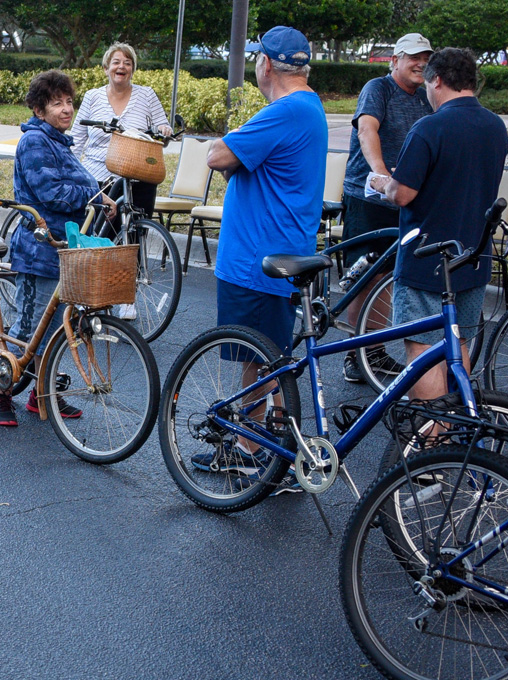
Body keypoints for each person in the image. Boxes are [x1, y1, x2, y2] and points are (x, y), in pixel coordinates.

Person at [197, 26, 324, 476]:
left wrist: (230, 141)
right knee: (263, 358)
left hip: (259, 257)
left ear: (266, 64)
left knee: (258, 358)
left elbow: (217, 156)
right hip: (276, 249)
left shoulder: (285, 111)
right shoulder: (308, 107)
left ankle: (254, 452)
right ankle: (258, 444)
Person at [366, 47, 508, 403]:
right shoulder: (495, 127)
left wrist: (384, 184)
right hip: (475, 256)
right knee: (458, 343)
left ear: (438, 80)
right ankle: (460, 426)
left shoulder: (430, 127)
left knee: (423, 351)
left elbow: (403, 195)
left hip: (428, 257)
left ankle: (430, 440)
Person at [0, 69, 110, 427]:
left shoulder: (60, 140)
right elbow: (51, 193)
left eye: (69, 102)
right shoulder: (34, 142)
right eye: (56, 103)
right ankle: (0, 395)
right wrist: (94, 196)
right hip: (38, 251)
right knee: (28, 329)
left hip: (64, 249)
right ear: (38, 109)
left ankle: (41, 394)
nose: (65, 109)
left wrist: (99, 195)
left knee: (59, 327)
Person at [338, 32, 431, 383]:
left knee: (388, 278)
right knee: (366, 276)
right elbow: (367, 129)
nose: (420, 63)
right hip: (369, 197)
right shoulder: (378, 88)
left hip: (403, 199)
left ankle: (373, 352)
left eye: (425, 57)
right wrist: (381, 174)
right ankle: (354, 354)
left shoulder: (424, 100)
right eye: (413, 57)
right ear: (395, 60)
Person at [69, 42, 173, 216]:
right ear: (106, 68)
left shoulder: (147, 95)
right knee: (97, 235)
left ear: (132, 69)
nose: (121, 67)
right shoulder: (92, 96)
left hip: (137, 176)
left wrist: (164, 130)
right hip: (97, 176)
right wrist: (71, 173)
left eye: (127, 63)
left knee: (134, 235)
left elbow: (163, 135)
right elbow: (76, 140)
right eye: (116, 62)